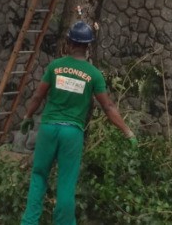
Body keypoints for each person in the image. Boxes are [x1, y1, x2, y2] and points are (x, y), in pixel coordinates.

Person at [19, 21, 135, 225]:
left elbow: (38, 96)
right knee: (66, 182)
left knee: (38, 176)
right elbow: (108, 108)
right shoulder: (93, 74)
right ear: (88, 46)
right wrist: (128, 132)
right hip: (72, 133)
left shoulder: (55, 67)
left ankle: (29, 222)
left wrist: (28, 117)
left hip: (48, 128)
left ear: (69, 42)